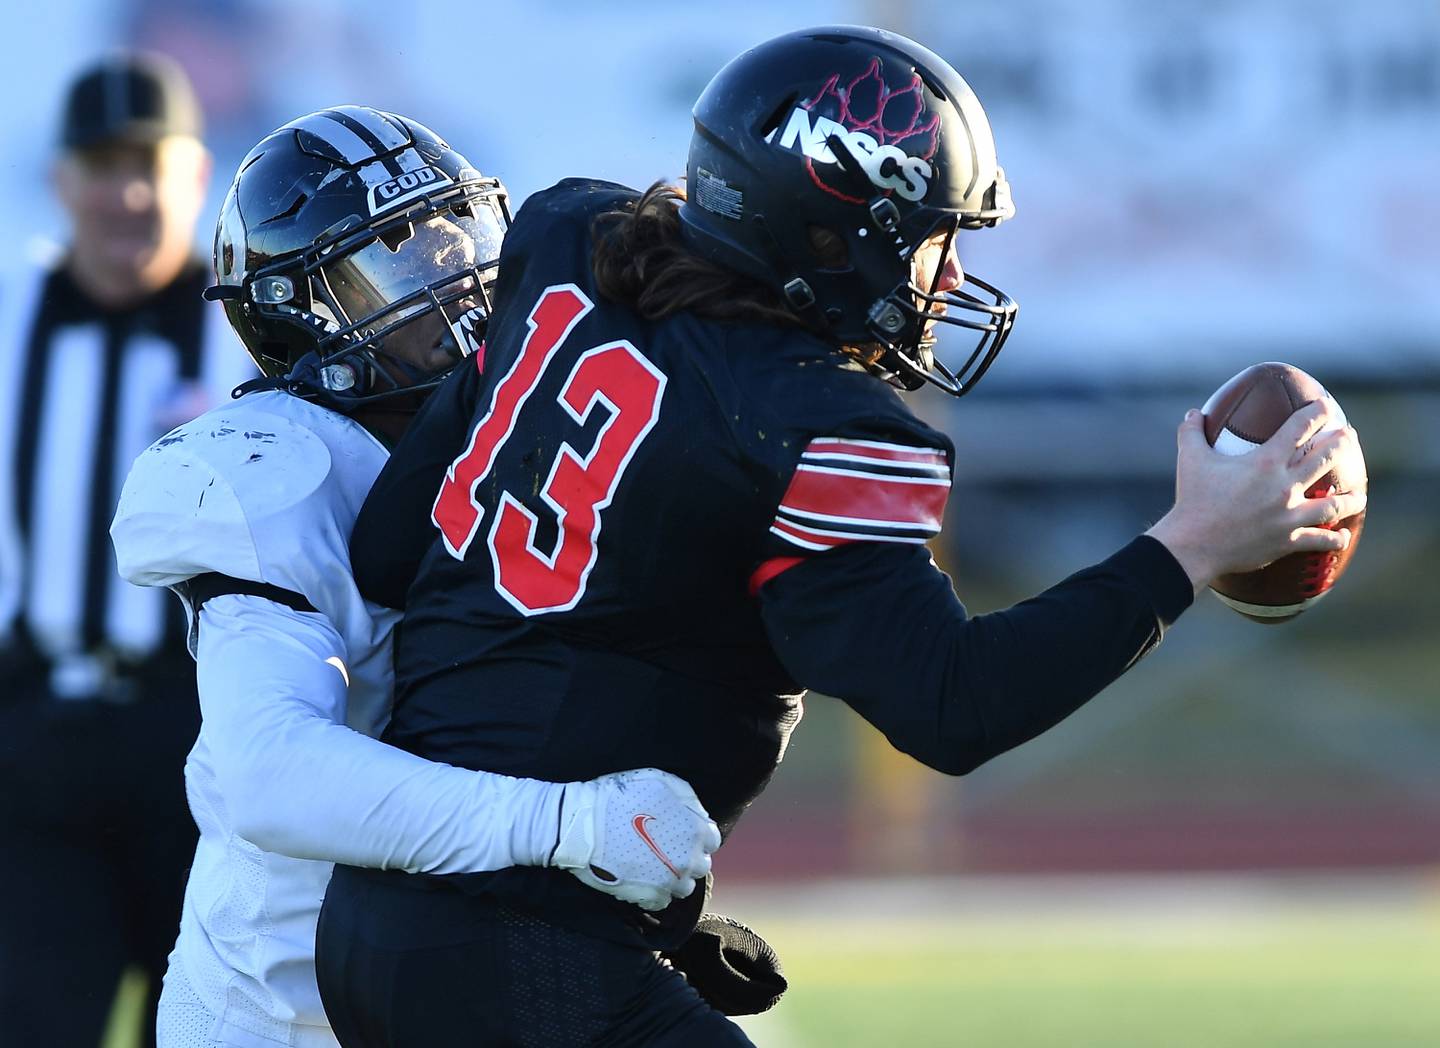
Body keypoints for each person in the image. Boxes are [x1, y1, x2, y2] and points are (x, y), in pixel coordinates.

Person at [315, 25, 1366, 1046]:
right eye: (929, 239)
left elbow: (389, 550)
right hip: (523, 955)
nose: (946, 276)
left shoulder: (562, 242)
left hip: (379, 909)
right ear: (829, 233)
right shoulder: (814, 426)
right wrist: (1187, 548)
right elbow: (953, 703)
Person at [108, 106, 720, 1048]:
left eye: (458, 239)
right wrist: (568, 828)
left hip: (471, 974)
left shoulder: (518, 435)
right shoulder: (279, 474)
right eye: (402, 260)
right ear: (297, 314)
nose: (461, 289)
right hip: (285, 1013)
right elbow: (272, 775)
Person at [0, 51, 253, 1047]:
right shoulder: (13, 315)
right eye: (104, 165)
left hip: (196, 747)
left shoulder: (247, 329)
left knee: (203, 1026)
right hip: (36, 733)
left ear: (199, 172)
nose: (130, 192)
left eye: (153, 162)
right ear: (61, 180)